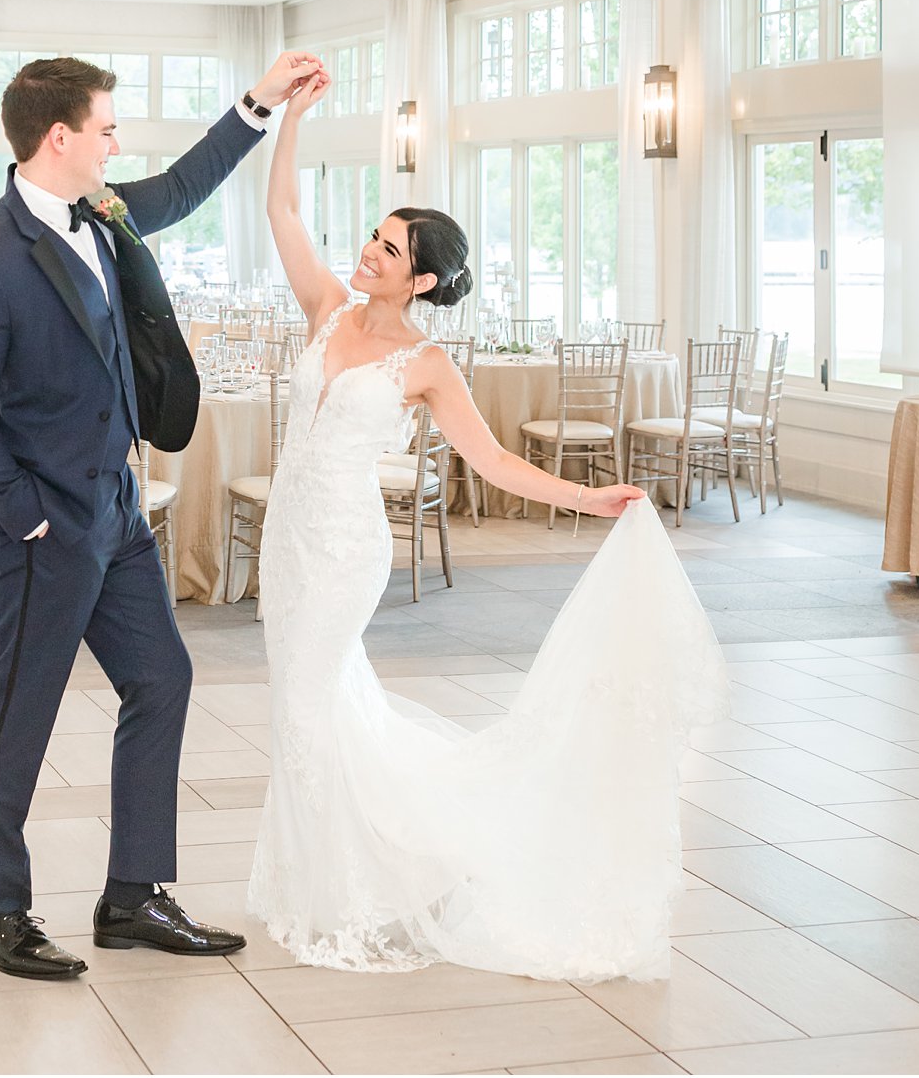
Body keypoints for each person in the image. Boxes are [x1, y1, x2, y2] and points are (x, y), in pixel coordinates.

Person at [249, 67, 728, 979]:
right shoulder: (326, 307)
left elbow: (494, 461)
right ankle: (323, 878)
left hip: (348, 548)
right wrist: (291, 123)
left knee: (311, 708)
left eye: (387, 250)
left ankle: (350, 893)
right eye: (372, 237)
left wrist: (591, 499)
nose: (367, 253)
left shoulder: (427, 362)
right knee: (303, 707)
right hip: (289, 539)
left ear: (421, 278)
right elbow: (283, 217)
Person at [0, 48, 325, 981]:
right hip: (49, 530)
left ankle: (133, 894)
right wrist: (27, 515)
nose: (118, 142)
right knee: (21, 712)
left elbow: (186, 185)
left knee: (163, 679)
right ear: (59, 137)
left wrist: (259, 99)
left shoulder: (103, 215)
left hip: (118, 512)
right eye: (107, 128)